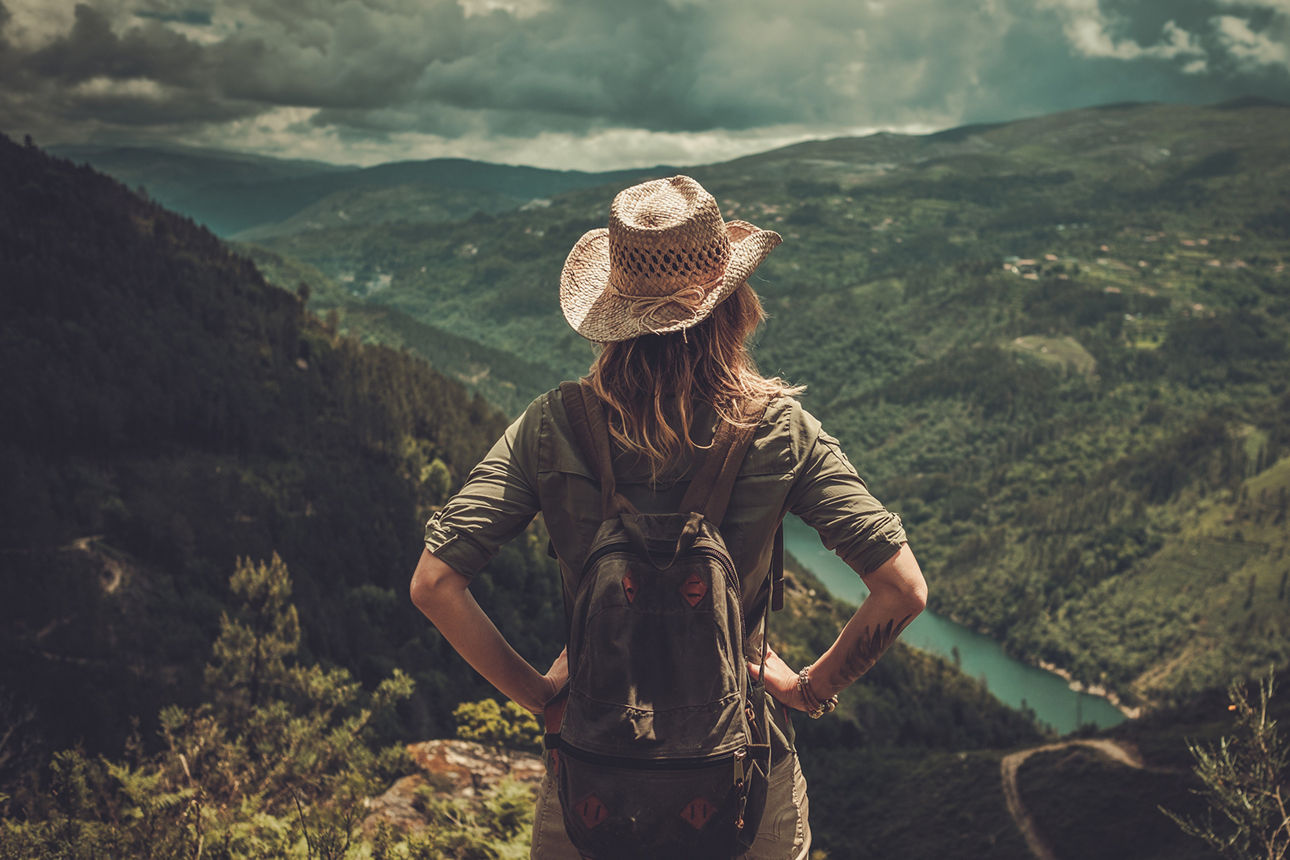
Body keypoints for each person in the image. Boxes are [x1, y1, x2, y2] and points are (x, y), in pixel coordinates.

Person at [409, 175, 927, 859]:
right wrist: (808, 690)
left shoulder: (550, 427)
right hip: (742, 777)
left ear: (612, 315)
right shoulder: (777, 429)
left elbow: (434, 585)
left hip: (594, 783)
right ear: (734, 304)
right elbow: (903, 590)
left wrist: (542, 696)